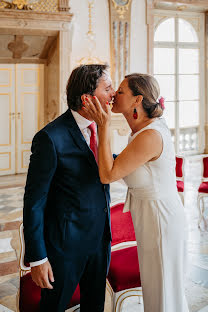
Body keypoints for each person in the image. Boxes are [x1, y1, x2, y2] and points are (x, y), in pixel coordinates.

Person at [83, 73, 189, 312]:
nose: (113, 95)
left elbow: (108, 175)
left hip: (161, 222)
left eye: (120, 91)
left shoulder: (151, 135)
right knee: (155, 289)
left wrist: (104, 125)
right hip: (150, 220)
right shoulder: (141, 131)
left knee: (164, 293)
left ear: (136, 100)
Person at [23, 64, 115, 312]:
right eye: (108, 88)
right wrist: (38, 258)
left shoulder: (101, 129)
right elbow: (34, 202)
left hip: (100, 243)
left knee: (95, 306)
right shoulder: (50, 138)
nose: (114, 93)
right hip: (64, 249)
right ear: (88, 98)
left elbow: (108, 168)